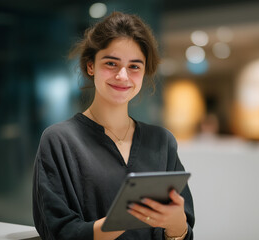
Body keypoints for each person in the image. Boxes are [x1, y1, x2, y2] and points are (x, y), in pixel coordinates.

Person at [32, 11, 194, 240]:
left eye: (135, 66)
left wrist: (177, 224)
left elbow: (183, 231)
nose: (122, 75)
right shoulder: (60, 140)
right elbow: (56, 231)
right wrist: (121, 220)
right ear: (91, 66)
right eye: (111, 63)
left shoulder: (161, 141)